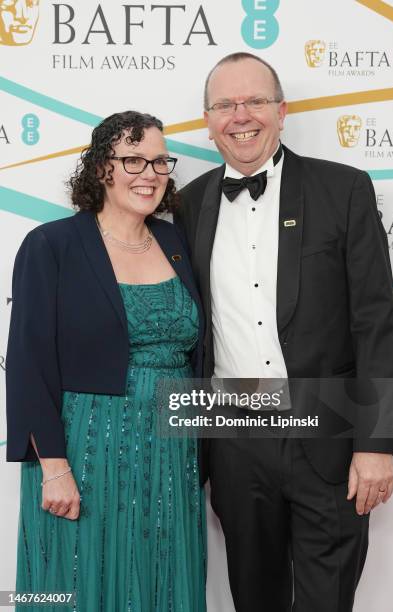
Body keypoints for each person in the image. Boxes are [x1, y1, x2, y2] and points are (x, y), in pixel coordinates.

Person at [176, 52, 393, 612]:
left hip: (328, 436)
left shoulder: (342, 188)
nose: (240, 115)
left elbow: (375, 320)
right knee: (254, 597)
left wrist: (376, 443)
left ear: (282, 111)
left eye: (255, 100)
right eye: (225, 104)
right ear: (207, 120)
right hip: (232, 438)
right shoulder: (187, 204)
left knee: (328, 601)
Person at [6, 111, 206, 611]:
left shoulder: (174, 242)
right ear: (101, 169)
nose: (149, 173)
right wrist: (53, 467)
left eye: (160, 161)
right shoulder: (52, 244)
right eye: (132, 159)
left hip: (172, 456)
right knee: (81, 582)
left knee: (166, 578)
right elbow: (28, 362)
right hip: (88, 448)